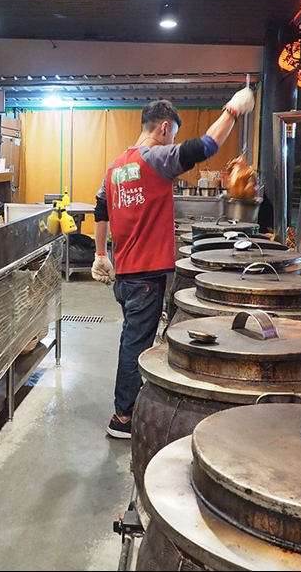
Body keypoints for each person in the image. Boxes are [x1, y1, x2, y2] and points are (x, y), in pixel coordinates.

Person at [92, 88, 255, 439]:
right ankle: (122, 417)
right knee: (135, 343)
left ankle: (128, 407)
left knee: (133, 338)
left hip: (126, 273)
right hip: (146, 274)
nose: (172, 144)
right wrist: (233, 109)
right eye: (173, 137)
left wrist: (100, 254)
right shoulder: (155, 158)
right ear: (164, 128)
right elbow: (207, 147)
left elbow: (101, 208)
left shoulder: (117, 165)